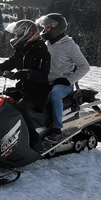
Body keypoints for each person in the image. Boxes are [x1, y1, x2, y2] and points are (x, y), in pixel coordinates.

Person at [0, 19, 50, 112]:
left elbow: (43, 75)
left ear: (28, 33)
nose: (16, 36)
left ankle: (29, 127)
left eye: (18, 34)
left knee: (21, 108)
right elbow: (7, 64)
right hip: (21, 89)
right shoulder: (21, 50)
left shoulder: (42, 51)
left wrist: (27, 74)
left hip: (37, 93)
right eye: (16, 34)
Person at [37, 13, 90, 142]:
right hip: (45, 81)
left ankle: (57, 130)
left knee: (55, 94)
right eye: (44, 27)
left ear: (57, 28)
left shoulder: (70, 46)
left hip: (62, 84)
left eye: (48, 27)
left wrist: (68, 80)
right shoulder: (46, 43)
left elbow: (84, 66)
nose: (45, 30)